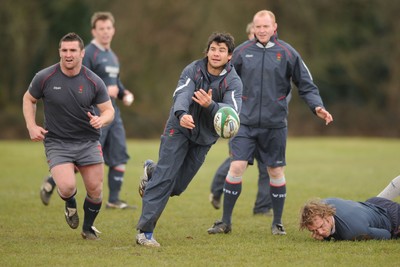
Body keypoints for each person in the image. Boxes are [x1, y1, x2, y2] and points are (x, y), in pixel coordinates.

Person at [207, 10, 333, 236]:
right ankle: (225, 222)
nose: (262, 30)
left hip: (275, 124)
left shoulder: (288, 53)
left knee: (275, 171)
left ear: (275, 27)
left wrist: (317, 106)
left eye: (266, 26)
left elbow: (306, 84)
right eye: (258, 27)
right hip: (243, 123)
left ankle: (277, 223)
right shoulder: (242, 53)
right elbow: (221, 79)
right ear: (253, 28)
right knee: (236, 166)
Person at [135, 32, 243, 247]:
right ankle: (144, 232)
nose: (216, 53)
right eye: (213, 48)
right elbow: (182, 94)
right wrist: (182, 114)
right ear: (207, 51)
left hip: (204, 139)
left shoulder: (233, 82)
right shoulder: (193, 70)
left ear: (229, 56)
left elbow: (233, 111)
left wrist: (210, 106)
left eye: (222, 50)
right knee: (165, 179)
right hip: (179, 128)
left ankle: (151, 171)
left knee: (177, 187)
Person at [22, 32, 114, 240]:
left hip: (88, 141)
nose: (68, 54)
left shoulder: (93, 80)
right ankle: (70, 204)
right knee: (66, 187)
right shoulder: (44, 77)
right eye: (64, 50)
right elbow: (29, 99)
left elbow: (109, 110)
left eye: (73, 50)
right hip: (57, 142)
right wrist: (31, 125)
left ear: (82, 53)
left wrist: (102, 119)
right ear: (59, 52)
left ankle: (88, 228)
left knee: (95, 190)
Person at [39, 12, 135, 210]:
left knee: (119, 153)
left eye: (109, 28)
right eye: (101, 29)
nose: (106, 32)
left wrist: (124, 93)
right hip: (92, 114)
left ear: (113, 30)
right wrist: (105, 92)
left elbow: (114, 81)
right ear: (94, 31)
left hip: (111, 112)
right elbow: (84, 79)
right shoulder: (89, 53)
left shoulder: (113, 56)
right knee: (85, 159)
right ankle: (53, 180)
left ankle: (114, 199)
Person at [209, 21, 272, 216]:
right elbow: (223, 81)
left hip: (268, 120)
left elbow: (281, 85)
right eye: (255, 31)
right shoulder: (238, 55)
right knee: (237, 161)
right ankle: (216, 189)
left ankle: (262, 207)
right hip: (242, 118)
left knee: (266, 165)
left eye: (263, 29)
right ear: (249, 34)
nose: (259, 34)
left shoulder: (273, 55)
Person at [299, 175, 400, 241]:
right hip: (372, 204)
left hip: (393, 217)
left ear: (327, 215)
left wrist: (327, 238)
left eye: (321, 226)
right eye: (314, 231)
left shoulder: (351, 233)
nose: (320, 232)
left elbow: (386, 234)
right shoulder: (323, 204)